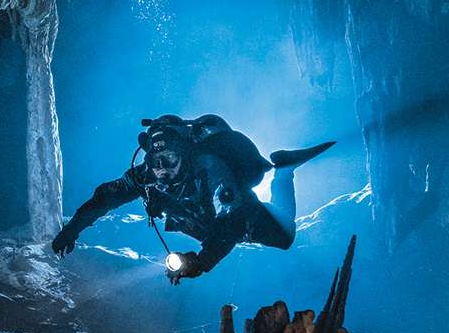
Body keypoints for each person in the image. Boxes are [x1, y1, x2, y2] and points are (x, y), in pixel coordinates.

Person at [49, 114, 334, 282]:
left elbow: (231, 221)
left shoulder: (210, 166)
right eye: (156, 161)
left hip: (238, 214)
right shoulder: (146, 175)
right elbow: (105, 198)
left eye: (170, 159)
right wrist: (72, 229)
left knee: (285, 238)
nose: (162, 170)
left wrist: (199, 262)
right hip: (204, 222)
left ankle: (284, 171)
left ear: (184, 153)